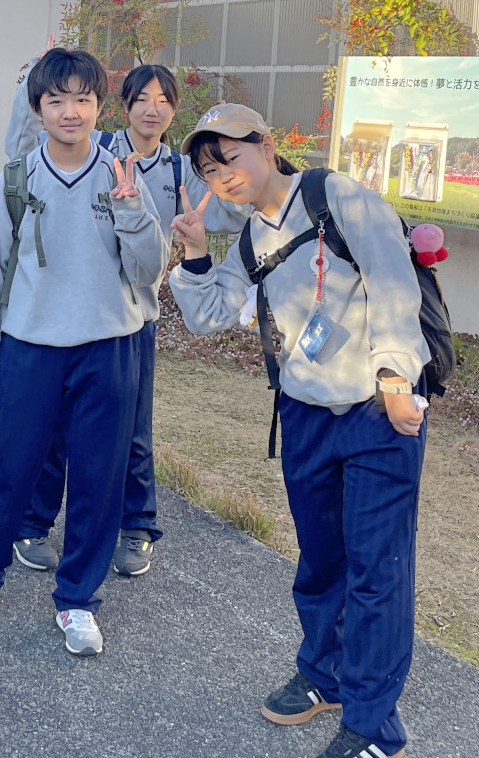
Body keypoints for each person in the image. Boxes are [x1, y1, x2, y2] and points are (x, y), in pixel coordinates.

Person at [168, 103, 428, 758]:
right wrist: (195, 255)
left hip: (376, 411)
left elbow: (394, 283)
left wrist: (397, 375)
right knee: (320, 559)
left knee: (377, 570)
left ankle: (374, 728)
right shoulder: (250, 240)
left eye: (229, 158)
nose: (222, 176)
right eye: (209, 170)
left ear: (265, 145)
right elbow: (209, 316)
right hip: (305, 414)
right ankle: (323, 675)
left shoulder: (337, 197)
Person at [0, 47, 168, 658]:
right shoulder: (17, 180)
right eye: (57, 100)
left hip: (110, 347)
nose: (71, 111)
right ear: (38, 108)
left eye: (83, 99)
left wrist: (130, 210)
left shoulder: (121, 175)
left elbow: (151, 270)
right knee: (6, 468)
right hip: (31, 346)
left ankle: (78, 601)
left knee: (99, 477)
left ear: (99, 107)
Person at [4, 56, 250, 577]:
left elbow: (233, 209)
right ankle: (34, 524)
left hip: (136, 320)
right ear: (122, 106)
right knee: (53, 424)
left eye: (163, 102)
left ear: (174, 111)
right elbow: (25, 152)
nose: (151, 110)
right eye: (141, 100)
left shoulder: (182, 171)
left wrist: (250, 173)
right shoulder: (97, 150)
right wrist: (30, 85)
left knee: (133, 430)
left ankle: (136, 527)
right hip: (75, 309)